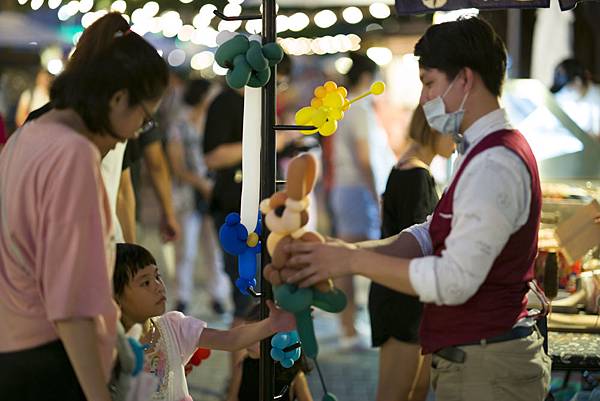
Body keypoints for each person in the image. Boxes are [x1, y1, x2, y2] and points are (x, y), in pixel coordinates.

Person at [284, 16, 551, 401]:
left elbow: (454, 279)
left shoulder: (495, 161)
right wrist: (343, 254)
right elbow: (430, 232)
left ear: (465, 78)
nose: (424, 99)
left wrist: (352, 262)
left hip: (489, 366)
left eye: (429, 83)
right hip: (476, 358)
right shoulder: (476, 150)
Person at [0, 12, 168, 401]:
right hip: (51, 360)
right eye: (142, 120)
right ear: (118, 99)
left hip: (15, 350)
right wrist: (98, 393)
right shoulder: (74, 154)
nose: (134, 134)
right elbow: (71, 302)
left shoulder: (29, 135)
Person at [113, 243, 295, 401]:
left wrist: (273, 323)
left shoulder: (175, 328)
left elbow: (231, 340)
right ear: (116, 297)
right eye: (145, 283)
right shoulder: (108, 344)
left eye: (157, 276)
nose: (158, 286)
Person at [369, 105, 455, 401]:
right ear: (435, 129)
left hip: (405, 293)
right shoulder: (415, 174)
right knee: (396, 394)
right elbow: (413, 243)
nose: (457, 138)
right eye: (453, 129)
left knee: (415, 390)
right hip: (401, 298)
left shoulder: (412, 168)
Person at [329, 52, 396, 348]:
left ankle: (349, 326)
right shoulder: (360, 110)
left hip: (349, 189)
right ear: (368, 79)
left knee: (349, 256)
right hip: (357, 190)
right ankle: (349, 328)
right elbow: (364, 158)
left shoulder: (351, 107)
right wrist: (377, 194)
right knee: (352, 257)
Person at [166, 78, 229, 314]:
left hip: (213, 194)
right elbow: (177, 166)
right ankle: (182, 296)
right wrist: (201, 183)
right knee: (187, 249)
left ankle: (218, 295)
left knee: (214, 248)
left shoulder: (213, 122)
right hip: (188, 195)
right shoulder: (179, 124)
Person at [226, 303, 314, 401]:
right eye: (247, 335)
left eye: (255, 337)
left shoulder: (292, 372)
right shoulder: (243, 367)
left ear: (277, 338)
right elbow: (231, 398)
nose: (248, 342)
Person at [550, 58, 600, 139]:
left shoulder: (596, 99)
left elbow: (597, 136)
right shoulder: (562, 95)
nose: (567, 91)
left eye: (570, 87)